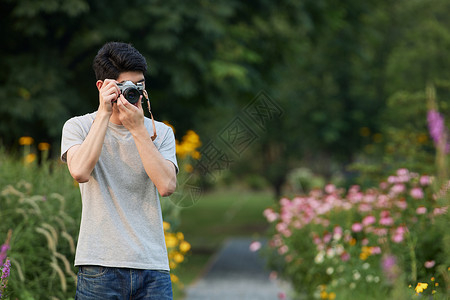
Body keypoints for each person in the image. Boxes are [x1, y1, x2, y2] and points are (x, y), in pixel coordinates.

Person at [61, 41, 178, 299]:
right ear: (103, 87)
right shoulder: (77, 127)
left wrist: (138, 129)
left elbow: (167, 186)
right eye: (126, 87)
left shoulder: (162, 133)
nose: (133, 93)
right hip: (99, 265)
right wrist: (104, 113)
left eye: (140, 86)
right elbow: (79, 171)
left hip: (152, 266)